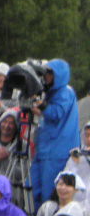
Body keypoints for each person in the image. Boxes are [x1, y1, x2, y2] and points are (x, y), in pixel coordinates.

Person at [32, 59, 79, 204]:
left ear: (58, 75)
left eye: (49, 73)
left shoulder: (66, 92)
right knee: (34, 189)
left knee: (50, 193)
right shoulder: (51, 93)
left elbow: (57, 113)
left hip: (58, 151)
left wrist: (41, 105)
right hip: (45, 149)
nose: (45, 77)